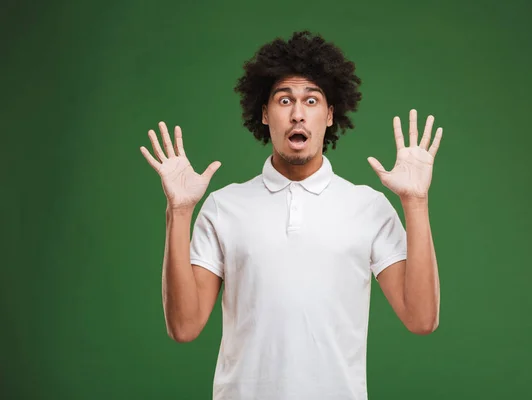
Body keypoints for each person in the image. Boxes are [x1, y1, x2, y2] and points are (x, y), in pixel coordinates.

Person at [140, 31, 442, 400]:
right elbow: (184, 327)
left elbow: (422, 318)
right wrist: (179, 211)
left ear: (330, 114)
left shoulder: (368, 207)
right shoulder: (224, 207)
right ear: (265, 113)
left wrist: (416, 203)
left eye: (311, 100)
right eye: (285, 100)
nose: (297, 113)